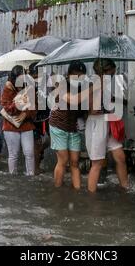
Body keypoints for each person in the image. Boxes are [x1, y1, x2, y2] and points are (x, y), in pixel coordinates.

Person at [86, 58, 129, 193]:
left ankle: (125, 188)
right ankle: (91, 200)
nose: (112, 76)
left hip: (109, 122)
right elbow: (88, 109)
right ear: (104, 71)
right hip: (96, 124)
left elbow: (108, 99)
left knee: (120, 157)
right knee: (97, 163)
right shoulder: (92, 84)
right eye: (111, 73)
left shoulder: (105, 85)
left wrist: (120, 101)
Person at [49, 60, 87, 189]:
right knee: (63, 160)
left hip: (72, 127)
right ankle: (58, 191)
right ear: (69, 74)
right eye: (76, 75)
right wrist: (94, 88)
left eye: (82, 76)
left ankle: (77, 192)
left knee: (75, 162)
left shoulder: (84, 87)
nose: (79, 78)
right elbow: (74, 100)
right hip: (58, 126)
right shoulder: (62, 84)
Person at [1, 65, 37, 176]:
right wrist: (18, 102)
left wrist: (25, 114)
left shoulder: (29, 87)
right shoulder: (8, 88)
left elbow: (34, 108)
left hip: (26, 125)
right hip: (11, 126)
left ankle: (30, 176)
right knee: (13, 155)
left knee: (29, 153)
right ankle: (12, 177)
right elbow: (7, 109)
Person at [28, 62, 50, 175]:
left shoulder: (46, 83)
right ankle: (35, 168)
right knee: (36, 144)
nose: (37, 78)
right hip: (34, 119)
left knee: (48, 142)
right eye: (34, 76)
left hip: (46, 116)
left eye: (38, 76)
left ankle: (37, 162)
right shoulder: (28, 86)